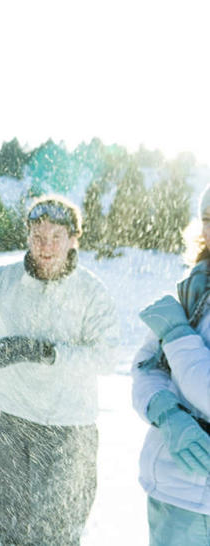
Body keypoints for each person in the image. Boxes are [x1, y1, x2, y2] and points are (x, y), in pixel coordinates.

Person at [0, 195, 119, 545]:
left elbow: (107, 356)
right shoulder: (5, 281)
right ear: (27, 236)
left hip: (70, 433)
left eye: (55, 237)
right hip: (14, 424)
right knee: (8, 528)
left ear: (73, 239)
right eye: (37, 237)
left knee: (57, 535)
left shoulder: (91, 292)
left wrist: (45, 352)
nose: (45, 247)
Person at [133, 184, 210, 545]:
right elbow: (147, 367)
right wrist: (166, 412)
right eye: (208, 219)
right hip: (171, 491)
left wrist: (177, 333)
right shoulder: (194, 288)